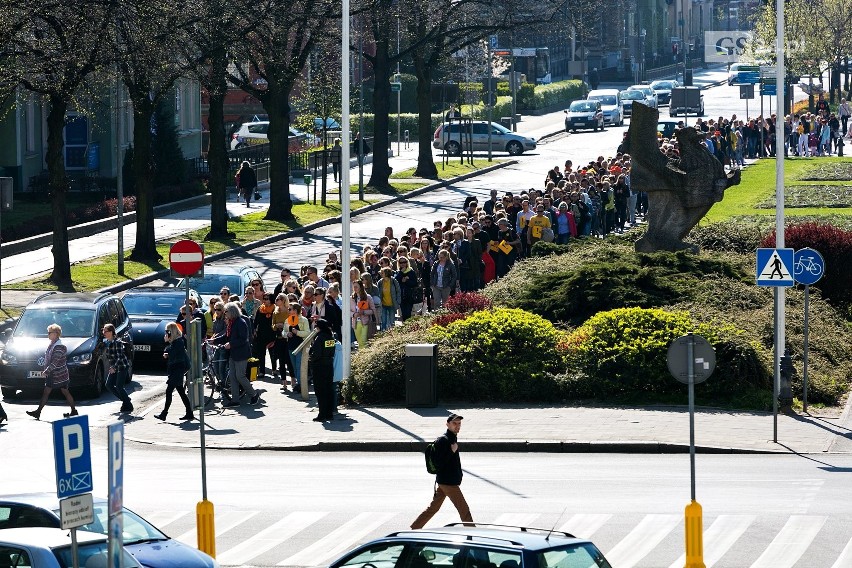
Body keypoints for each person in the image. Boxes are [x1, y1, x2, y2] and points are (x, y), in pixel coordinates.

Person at [410, 414, 473, 529]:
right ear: (447, 424)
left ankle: (415, 527)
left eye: (459, 423)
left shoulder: (452, 438)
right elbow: (439, 462)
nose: (457, 426)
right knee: (464, 509)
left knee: (433, 508)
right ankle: (473, 533)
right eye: (454, 423)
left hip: (445, 481)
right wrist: (452, 452)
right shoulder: (443, 440)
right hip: (448, 483)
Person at [26, 324, 77, 420]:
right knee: (65, 392)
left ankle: (38, 412)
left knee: (47, 392)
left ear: (56, 334)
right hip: (60, 374)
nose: (48, 334)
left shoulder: (59, 347)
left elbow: (54, 363)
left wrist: (46, 371)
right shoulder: (53, 344)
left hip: (57, 375)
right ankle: (73, 410)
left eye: (50, 333)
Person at [222, 302, 261, 407]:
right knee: (233, 377)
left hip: (241, 354)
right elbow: (226, 336)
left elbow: (244, 339)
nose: (224, 314)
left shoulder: (240, 322)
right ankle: (235, 400)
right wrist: (213, 340)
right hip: (233, 354)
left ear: (232, 312)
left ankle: (254, 394)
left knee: (240, 376)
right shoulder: (232, 323)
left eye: (226, 311)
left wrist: (231, 344)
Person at [156, 322, 193, 421]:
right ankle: (189, 413)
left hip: (178, 369)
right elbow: (172, 352)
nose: (165, 334)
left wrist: (167, 346)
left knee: (169, 391)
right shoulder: (176, 342)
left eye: (167, 332)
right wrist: (167, 352)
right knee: (181, 392)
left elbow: (173, 352)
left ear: (170, 332)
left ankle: (164, 414)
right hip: (176, 369)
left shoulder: (179, 341)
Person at [309, 318, 337, 421]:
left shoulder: (319, 338)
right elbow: (332, 352)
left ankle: (322, 414)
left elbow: (316, 354)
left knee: (320, 391)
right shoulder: (330, 337)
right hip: (329, 365)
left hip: (319, 366)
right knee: (328, 389)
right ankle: (329, 413)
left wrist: (310, 359)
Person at [103, 323, 133, 413]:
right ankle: (126, 399)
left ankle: (128, 405)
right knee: (108, 385)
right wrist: (112, 367)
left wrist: (114, 368)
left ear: (111, 332)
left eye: (106, 331)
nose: (104, 332)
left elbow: (120, 357)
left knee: (119, 386)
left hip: (121, 366)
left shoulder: (118, 342)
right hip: (114, 366)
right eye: (103, 330)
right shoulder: (107, 342)